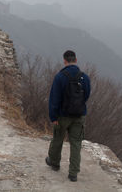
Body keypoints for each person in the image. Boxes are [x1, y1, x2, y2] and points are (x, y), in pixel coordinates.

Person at [45, 50, 91, 182]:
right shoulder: (85, 77)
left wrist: (53, 117)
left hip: (62, 115)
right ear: (76, 60)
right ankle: (73, 173)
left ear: (64, 61)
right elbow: (86, 96)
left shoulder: (60, 77)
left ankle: (54, 162)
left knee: (58, 138)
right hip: (79, 115)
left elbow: (54, 99)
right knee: (76, 143)